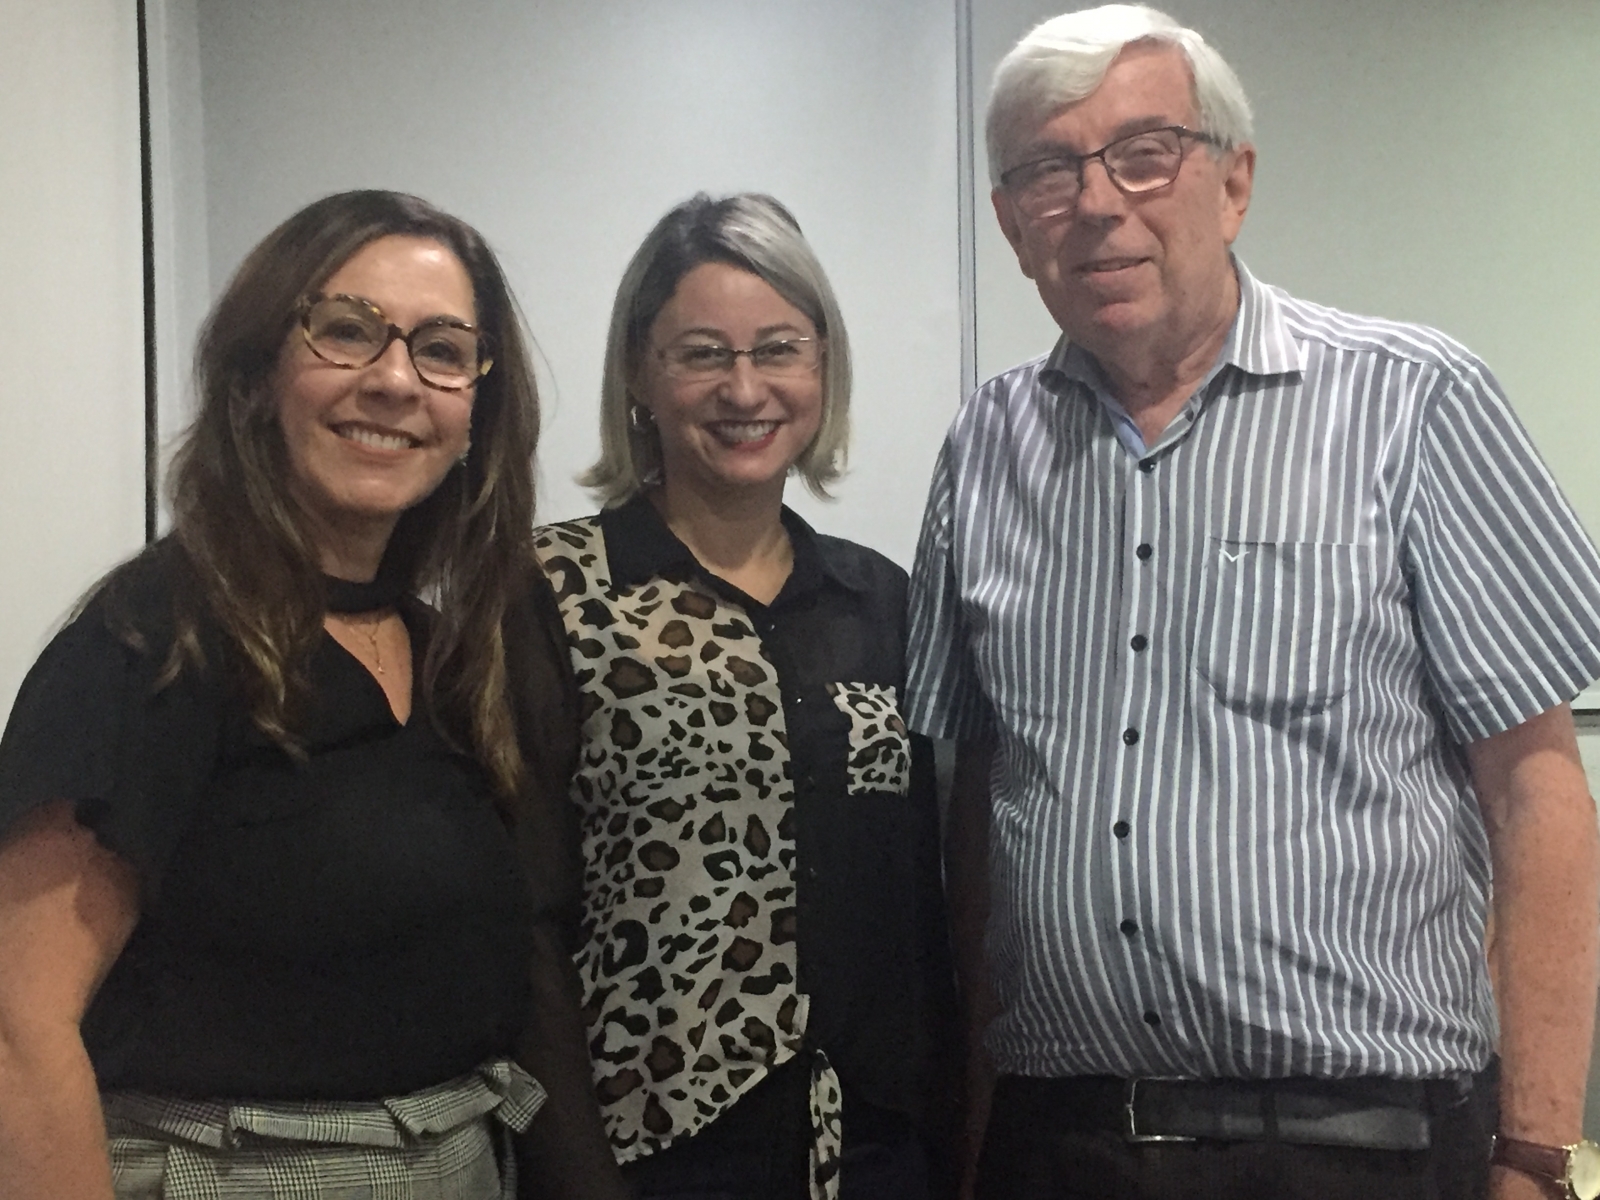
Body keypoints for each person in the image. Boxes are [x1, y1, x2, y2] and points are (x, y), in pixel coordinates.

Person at [906, 7, 1600, 1200]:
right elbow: (978, 808)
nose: (1097, 203)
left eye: (1143, 153)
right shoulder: (984, 448)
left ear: (1232, 183)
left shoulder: (1411, 402)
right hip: (1061, 1144)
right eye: (1047, 171)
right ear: (1011, 226)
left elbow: (1535, 790)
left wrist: (1535, 1154)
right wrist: (971, 1133)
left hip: (1361, 1145)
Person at [0, 189, 627, 1200]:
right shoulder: (154, 642)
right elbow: (19, 1031)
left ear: (476, 411)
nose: (394, 380)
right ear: (258, 376)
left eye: (442, 350)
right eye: (346, 331)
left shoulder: (442, 656)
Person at [532, 192, 957, 1200]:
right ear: (639, 372)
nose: (744, 388)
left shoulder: (879, 599)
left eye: (778, 349)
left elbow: (918, 904)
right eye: (702, 354)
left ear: (823, 366)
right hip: (650, 1156)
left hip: (873, 1149)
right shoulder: (553, 592)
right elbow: (519, 921)